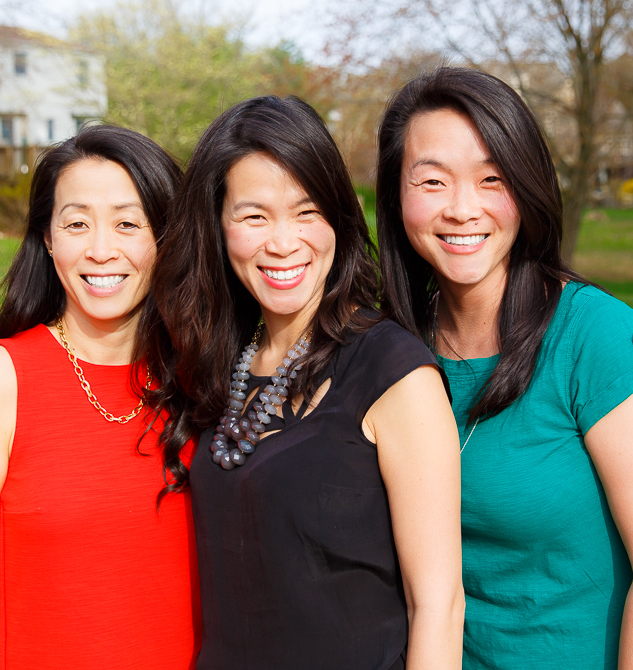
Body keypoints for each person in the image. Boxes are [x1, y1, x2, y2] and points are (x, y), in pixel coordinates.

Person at [375, 66, 633, 669]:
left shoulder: (595, 338)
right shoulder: (390, 347)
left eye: (492, 179)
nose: (462, 209)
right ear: (396, 196)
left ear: (527, 188)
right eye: (433, 181)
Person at [138, 95, 465, 669]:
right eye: (254, 217)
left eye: (307, 212)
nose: (284, 243)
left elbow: (438, 604)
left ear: (338, 217)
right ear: (217, 226)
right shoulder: (218, 363)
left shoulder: (394, 372)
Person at [0, 125, 200, 669]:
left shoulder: (203, 377)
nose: (101, 250)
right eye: (77, 223)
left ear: (166, 237)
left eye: (127, 224)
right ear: (48, 238)